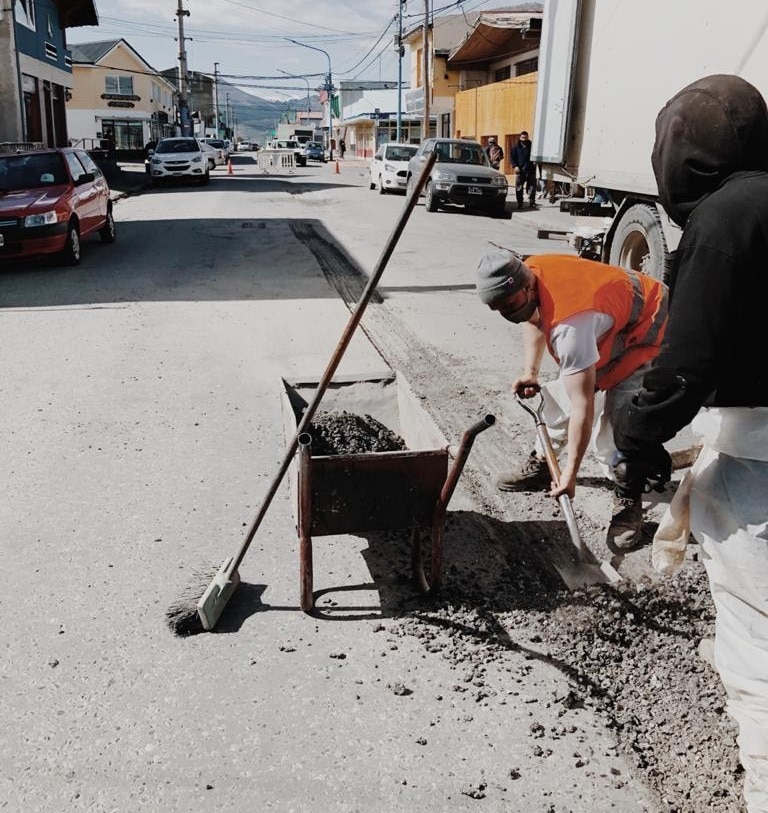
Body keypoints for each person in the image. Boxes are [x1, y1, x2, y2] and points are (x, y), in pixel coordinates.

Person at [612, 74, 768, 811]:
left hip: (763, 469)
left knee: (758, 655)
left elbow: (685, 367)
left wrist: (635, 433)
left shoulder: (727, 219)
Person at [475, 249, 668, 550]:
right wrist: (531, 371)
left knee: (622, 422)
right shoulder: (529, 272)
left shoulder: (570, 330)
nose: (504, 313)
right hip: (612, 321)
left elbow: (583, 408)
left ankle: (629, 497)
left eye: (507, 305)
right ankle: (542, 464)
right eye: (496, 308)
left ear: (525, 286)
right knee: (558, 398)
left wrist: (570, 475)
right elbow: (533, 317)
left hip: (650, 325)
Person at [511, 130, 537, 208]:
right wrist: (515, 166)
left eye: (525, 137)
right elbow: (512, 158)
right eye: (522, 137)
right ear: (520, 137)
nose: (524, 139)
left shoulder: (532, 146)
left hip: (530, 169)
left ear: (527, 137)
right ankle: (520, 203)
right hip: (520, 170)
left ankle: (532, 202)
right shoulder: (516, 147)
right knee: (519, 187)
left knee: (532, 186)